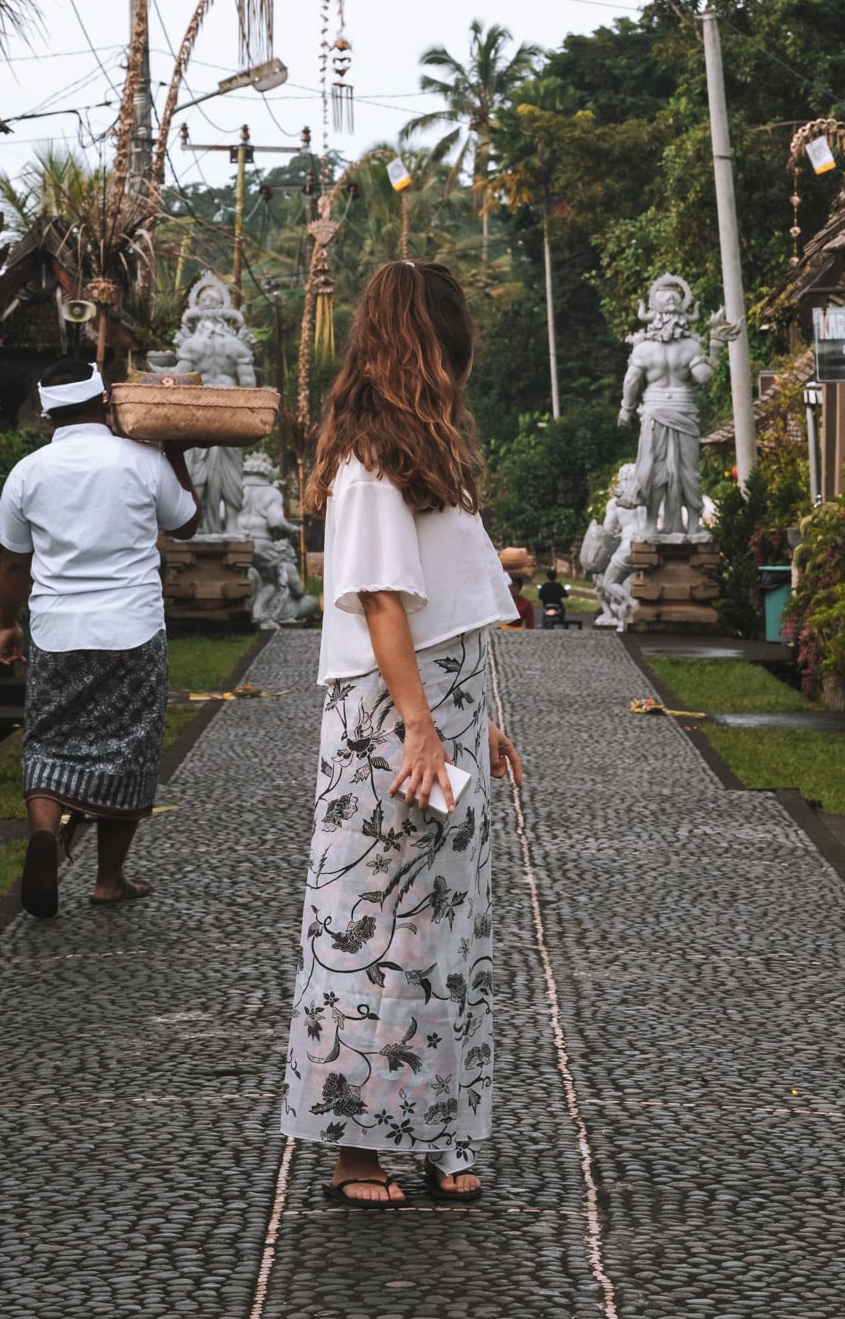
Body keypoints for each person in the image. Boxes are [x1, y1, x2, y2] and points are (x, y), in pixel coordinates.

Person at [282, 261, 522, 1209]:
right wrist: (423, 728)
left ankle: (440, 1130)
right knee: (373, 925)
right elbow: (382, 601)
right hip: (392, 723)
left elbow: (447, 610)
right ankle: (356, 1152)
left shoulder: (429, 452)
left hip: (439, 713)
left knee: (447, 933)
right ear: (428, 343)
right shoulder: (367, 460)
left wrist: (475, 721)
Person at [0, 357, 200, 920]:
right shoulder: (141, 460)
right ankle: (108, 880)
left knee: (48, 742)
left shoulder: (27, 472)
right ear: (105, 401)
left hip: (58, 632)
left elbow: (14, 564)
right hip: (132, 629)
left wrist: (8, 624)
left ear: (47, 412)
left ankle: (43, 829)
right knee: (129, 750)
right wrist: (176, 454)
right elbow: (185, 525)